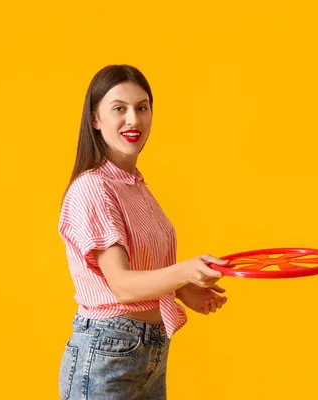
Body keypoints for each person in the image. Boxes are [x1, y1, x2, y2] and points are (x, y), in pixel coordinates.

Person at [57, 64, 230, 399]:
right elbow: (121, 285)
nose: (134, 120)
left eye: (142, 107)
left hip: (149, 348)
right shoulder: (94, 187)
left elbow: (142, 269)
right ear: (95, 119)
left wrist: (184, 290)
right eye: (119, 108)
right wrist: (186, 271)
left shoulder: (134, 185)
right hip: (107, 352)